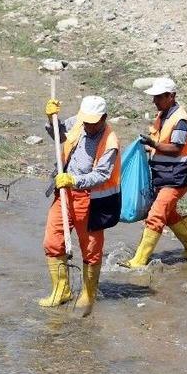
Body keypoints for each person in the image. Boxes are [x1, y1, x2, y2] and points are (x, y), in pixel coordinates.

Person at [40, 95, 121, 317]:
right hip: (64, 193)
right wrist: (51, 119)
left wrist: (74, 180)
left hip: (90, 199)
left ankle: (88, 294)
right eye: (86, 121)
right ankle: (61, 290)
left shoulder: (110, 142)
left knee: (91, 249)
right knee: (52, 241)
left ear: (104, 118)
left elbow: (102, 175)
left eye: (93, 122)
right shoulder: (79, 121)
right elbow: (58, 136)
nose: (88, 125)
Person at [122, 77, 187, 268]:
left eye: (159, 97)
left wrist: (153, 144)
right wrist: (149, 148)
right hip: (163, 176)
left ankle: (139, 261)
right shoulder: (163, 115)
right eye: (154, 97)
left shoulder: (180, 120)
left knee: (156, 216)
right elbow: (162, 144)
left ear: (171, 96)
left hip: (175, 178)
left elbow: (175, 148)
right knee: (169, 214)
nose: (154, 101)